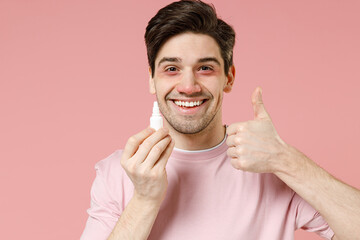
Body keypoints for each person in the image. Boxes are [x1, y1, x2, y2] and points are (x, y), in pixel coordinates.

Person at [80, 1, 360, 239]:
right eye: (172, 68)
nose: (188, 86)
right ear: (151, 79)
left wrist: (286, 160)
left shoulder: (270, 167)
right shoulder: (116, 173)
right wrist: (143, 199)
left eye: (205, 68)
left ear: (229, 77)